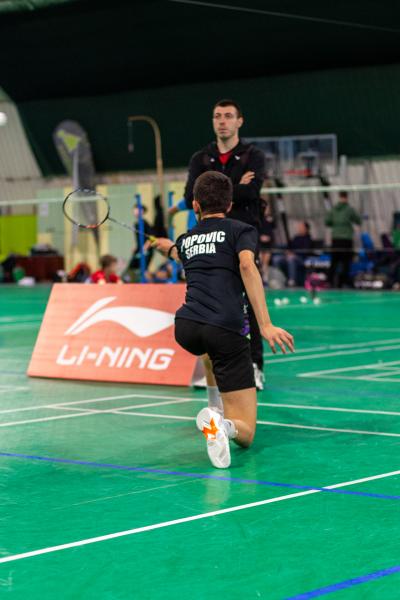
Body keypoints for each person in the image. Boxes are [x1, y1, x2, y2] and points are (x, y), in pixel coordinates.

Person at [153, 171, 294, 469]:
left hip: (187, 327)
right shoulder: (240, 230)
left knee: (209, 352)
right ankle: (222, 425)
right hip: (225, 328)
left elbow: (180, 253)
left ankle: (213, 408)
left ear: (195, 205)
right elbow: (247, 265)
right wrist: (265, 325)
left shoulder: (187, 239)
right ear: (230, 205)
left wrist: (168, 247)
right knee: (247, 432)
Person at [172, 98, 267, 389]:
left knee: (248, 298)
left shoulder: (253, 155)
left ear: (239, 121)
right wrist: (237, 185)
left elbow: (252, 192)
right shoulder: (201, 158)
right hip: (210, 236)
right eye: (217, 116)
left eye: (228, 116)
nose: (222, 121)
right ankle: (211, 369)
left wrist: (218, 190)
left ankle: (254, 365)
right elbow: (190, 196)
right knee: (207, 296)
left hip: (241, 236)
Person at [325, 191, 361, 287]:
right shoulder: (349, 209)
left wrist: (336, 225)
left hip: (335, 239)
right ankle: (342, 282)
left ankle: (330, 282)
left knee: (334, 262)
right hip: (346, 239)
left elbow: (327, 222)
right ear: (346, 197)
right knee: (345, 262)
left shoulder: (333, 209)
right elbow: (358, 220)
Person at [272, 221, 313, 287]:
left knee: (291, 260)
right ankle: (278, 279)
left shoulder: (308, 238)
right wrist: (287, 252)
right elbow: (289, 246)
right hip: (289, 256)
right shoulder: (296, 237)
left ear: (306, 229)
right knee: (276, 259)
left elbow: (305, 250)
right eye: (299, 227)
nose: (299, 228)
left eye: (301, 227)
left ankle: (292, 281)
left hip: (301, 258)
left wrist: (294, 254)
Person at [259, 200, 275, 284]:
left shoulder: (270, 220)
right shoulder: (258, 219)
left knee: (265, 263)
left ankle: (265, 279)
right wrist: (260, 237)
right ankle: (260, 278)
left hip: (268, 245)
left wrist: (268, 238)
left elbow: (272, 233)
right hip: (260, 244)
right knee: (260, 262)